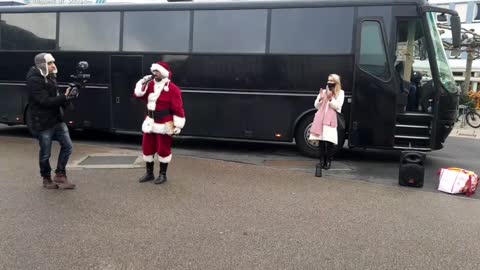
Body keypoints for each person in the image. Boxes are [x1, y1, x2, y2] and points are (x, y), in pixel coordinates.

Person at [26, 53, 76, 189]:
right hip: (42, 122)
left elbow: (56, 96)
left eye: (53, 62)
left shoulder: (51, 76)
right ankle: (46, 179)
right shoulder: (34, 80)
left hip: (56, 120)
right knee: (45, 153)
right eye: (49, 63)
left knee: (68, 146)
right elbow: (44, 101)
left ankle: (60, 174)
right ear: (42, 64)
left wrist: (68, 98)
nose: (53, 65)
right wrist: (63, 97)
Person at [134, 61, 186, 184]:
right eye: (154, 71)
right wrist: (142, 83)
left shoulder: (173, 89)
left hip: (165, 124)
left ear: (163, 73)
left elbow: (178, 108)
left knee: (163, 150)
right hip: (149, 122)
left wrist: (177, 125)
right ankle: (149, 173)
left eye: (157, 71)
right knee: (147, 148)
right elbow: (138, 96)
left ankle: (163, 175)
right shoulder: (150, 84)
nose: (154, 73)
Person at [309, 74, 345, 171]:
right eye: (328, 80)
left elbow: (338, 107)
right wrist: (320, 99)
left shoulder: (340, 93)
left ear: (336, 82)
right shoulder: (323, 91)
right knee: (321, 141)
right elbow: (316, 106)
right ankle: (321, 161)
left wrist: (330, 98)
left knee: (329, 142)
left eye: (332, 81)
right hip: (320, 119)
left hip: (330, 121)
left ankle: (328, 161)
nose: (329, 82)